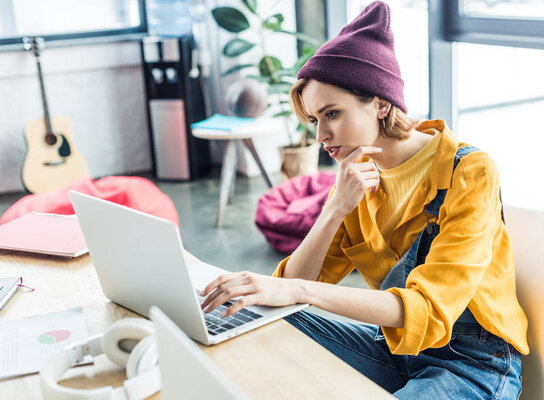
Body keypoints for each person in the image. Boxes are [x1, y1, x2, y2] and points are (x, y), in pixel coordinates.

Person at [200, 1, 527, 398]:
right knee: (262, 319)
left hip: (471, 363)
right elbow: (293, 285)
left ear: (381, 103)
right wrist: (336, 207)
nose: (320, 135)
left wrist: (298, 292)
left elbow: (427, 310)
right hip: (390, 350)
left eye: (332, 114)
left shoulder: (469, 171)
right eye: (314, 120)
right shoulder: (354, 177)